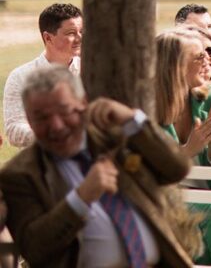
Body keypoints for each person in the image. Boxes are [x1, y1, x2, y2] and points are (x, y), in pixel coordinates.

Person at [0, 64, 192, 267]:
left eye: (65, 111)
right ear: (29, 119)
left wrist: (132, 119)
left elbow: (177, 168)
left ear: (83, 103)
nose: (56, 125)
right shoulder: (20, 174)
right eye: (42, 118)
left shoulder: (112, 138)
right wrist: (81, 197)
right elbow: (34, 249)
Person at [155, 28, 211, 265]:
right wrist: (188, 150)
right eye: (199, 56)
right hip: (164, 198)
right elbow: (147, 167)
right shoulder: (147, 104)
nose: (209, 61)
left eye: (209, 53)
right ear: (175, 65)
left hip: (210, 194)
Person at [4, 2, 83, 147]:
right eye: (71, 33)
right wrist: (53, 135)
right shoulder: (20, 77)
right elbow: (14, 129)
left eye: (81, 31)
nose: (79, 38)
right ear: (48, 38)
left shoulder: (88, 71)